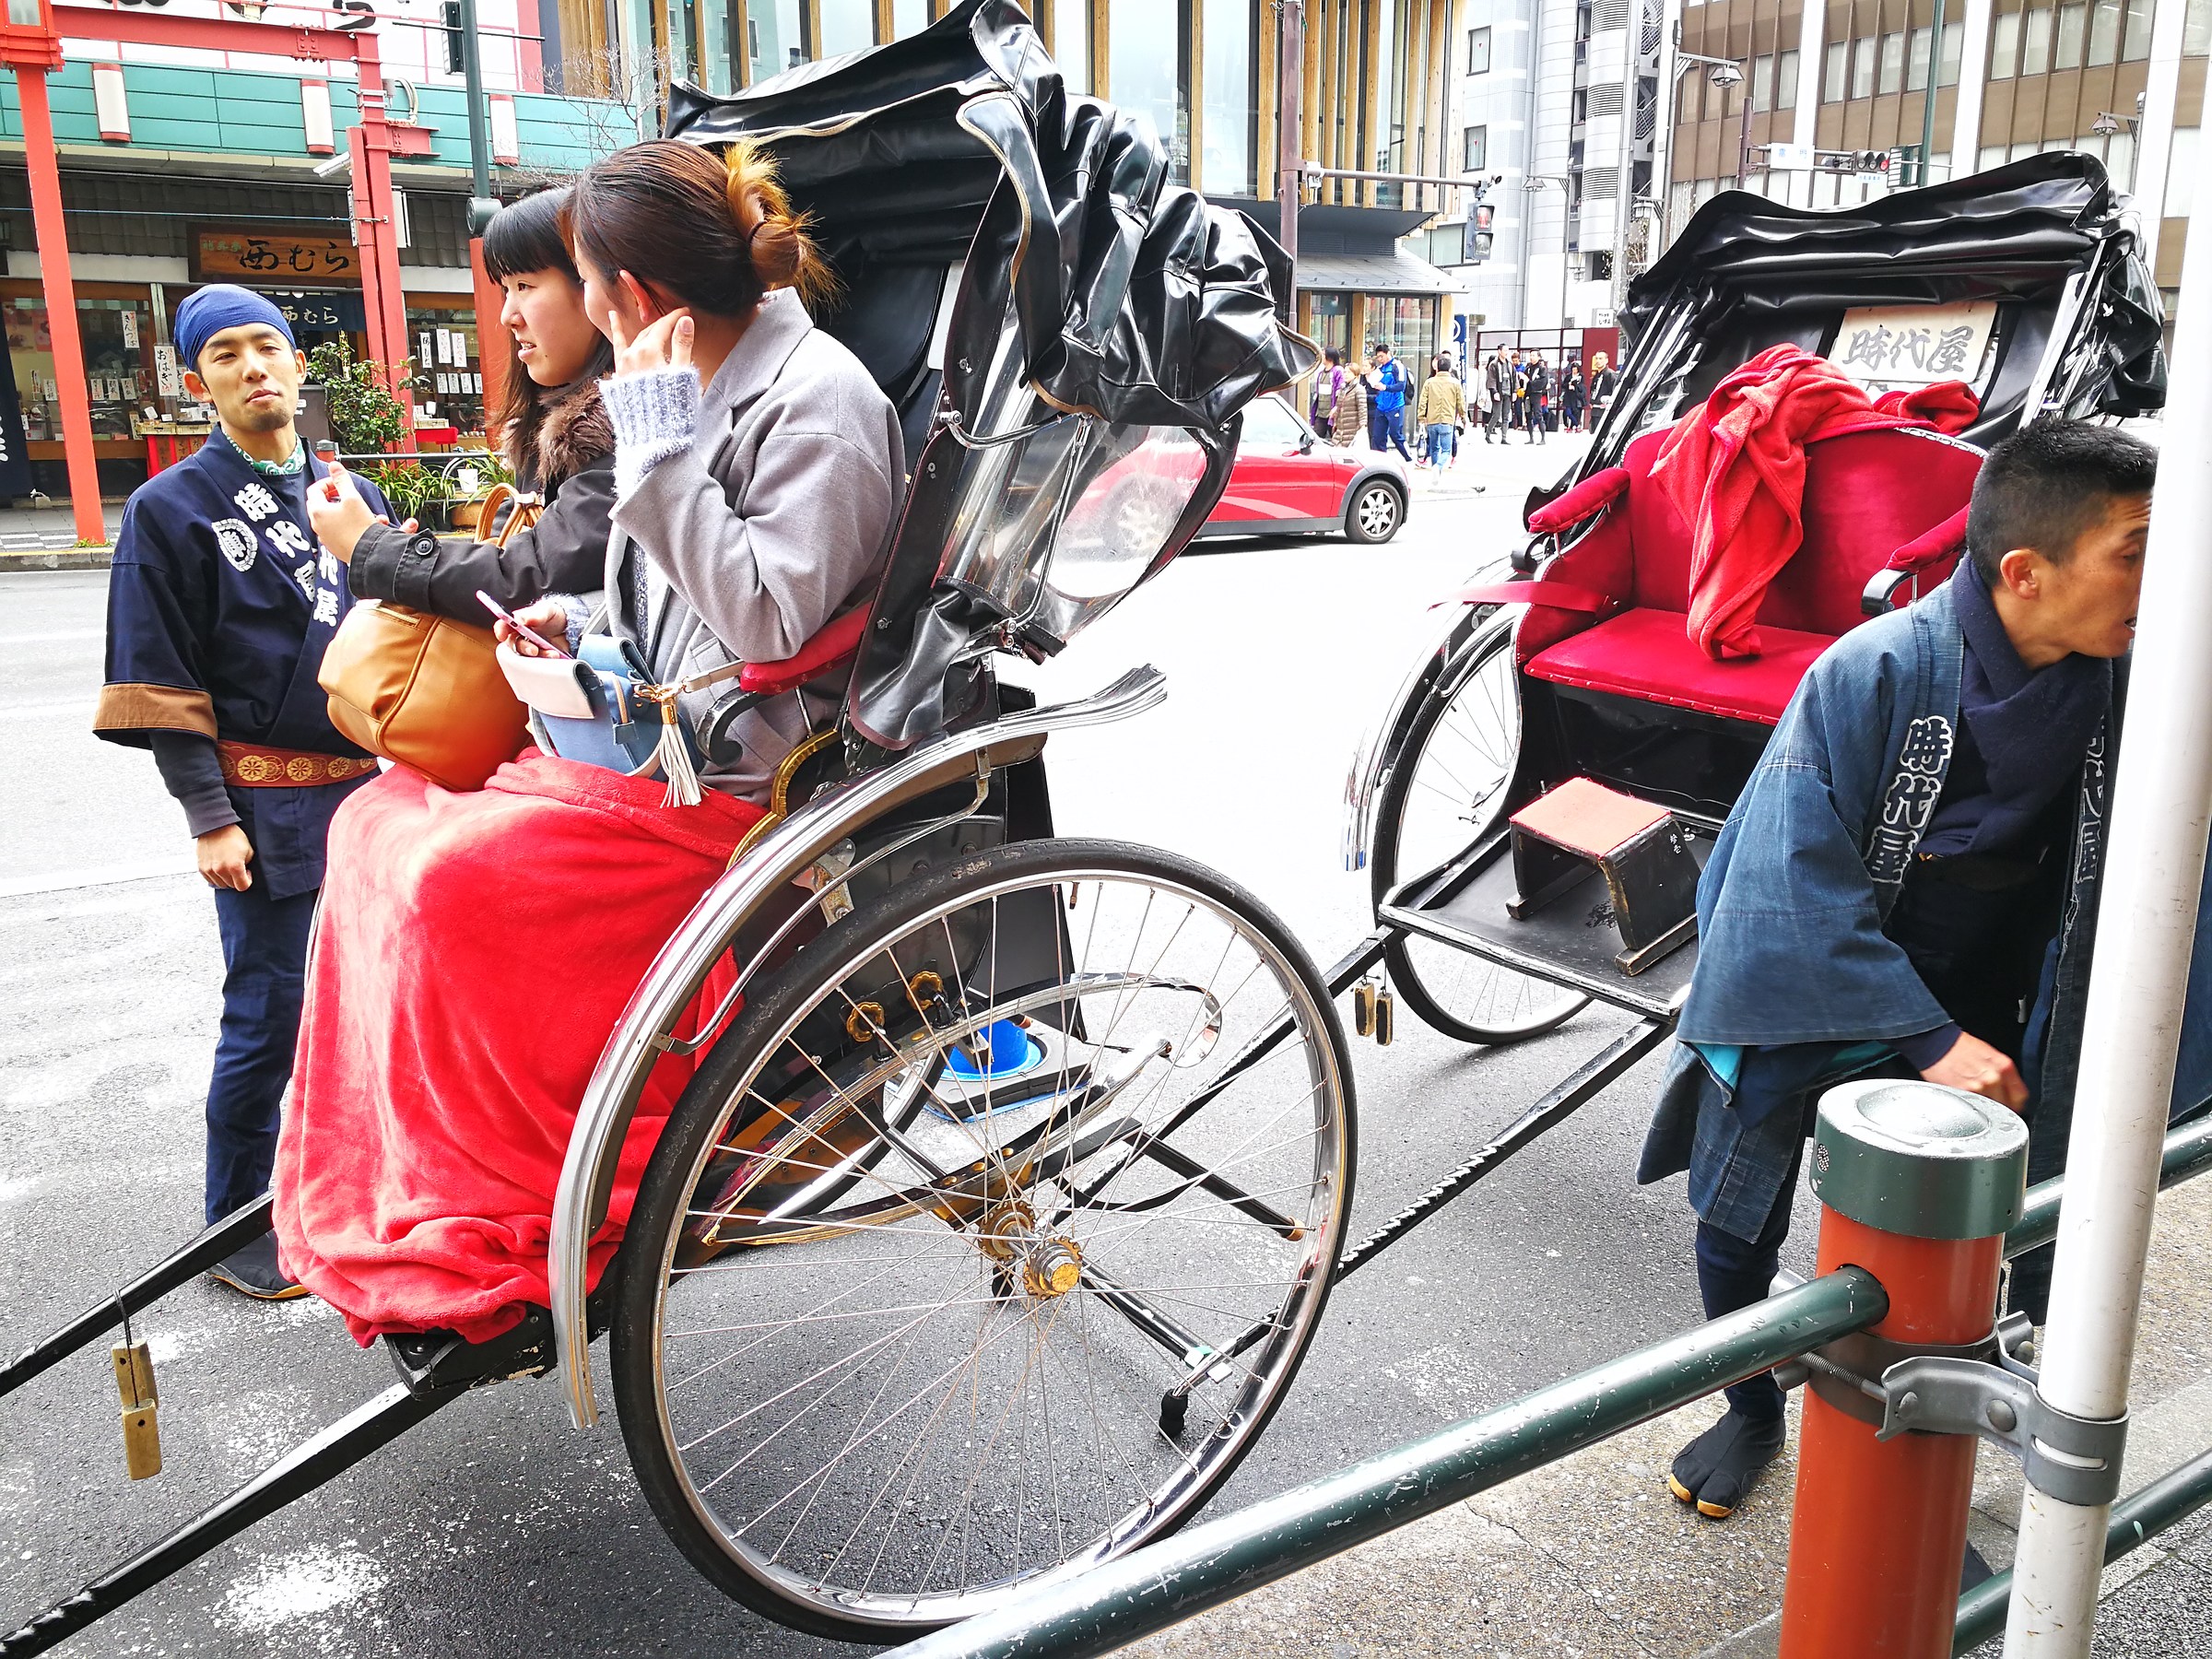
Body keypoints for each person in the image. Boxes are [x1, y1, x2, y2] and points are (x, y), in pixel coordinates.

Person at [275, 137, 905, 1347]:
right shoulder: (700, 377)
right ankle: (425, 1167)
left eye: (574, 280)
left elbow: (768, 613)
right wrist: (569, 623)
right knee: (373, 825)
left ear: (634, 298)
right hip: (636, 735)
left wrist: (659, 449)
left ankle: (522, 1179)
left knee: (447, 885)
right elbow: (649, 579)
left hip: (728, 785)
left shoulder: (817, 404)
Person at [1636, 421, 2204, 1522]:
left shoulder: (2129, 677)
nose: (2167, 576)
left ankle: (1935, 1394)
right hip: (1818, 967)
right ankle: (1751, 1404)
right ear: (2026, 574)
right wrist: (1926, 1036)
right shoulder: (1879, 668)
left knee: (1983, 1201)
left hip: (1994, 972)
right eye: (2138, 549)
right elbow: (1790, 872)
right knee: (1739, 1208)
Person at [93, 285, 392, 1299]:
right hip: (259, 805)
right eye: (227, 355)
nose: (255, 367)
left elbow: (394, 634)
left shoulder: (351, 496)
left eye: (268, 346)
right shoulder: (167, 510)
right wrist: (208, 817)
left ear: (298, 363)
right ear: (198, 384)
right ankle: (231, 1227)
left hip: (364, 792)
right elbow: (160, 675)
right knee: (266, 1016)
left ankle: (341, 1191)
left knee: (366, 1008)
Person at [310, 188, 615, 616]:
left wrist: (376, 549)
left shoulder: (624, 424)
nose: (507, 315)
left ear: (595, 287)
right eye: (506, 289)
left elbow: (532, 571)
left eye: (524, 285)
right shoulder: (554, 423)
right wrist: (402, 549)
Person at [1362, 341, 1413, 461]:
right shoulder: (1379, 369)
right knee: (1377, 436)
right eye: (1378, 357)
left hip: (1395, 405)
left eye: (1382, 356)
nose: (1380, 359)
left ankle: (1408, 458)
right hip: (1381, 406)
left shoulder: (1397, 366)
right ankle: (1379, 461)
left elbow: (1401, 386)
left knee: (1395, 434)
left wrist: (1385, 387)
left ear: (1388, 353)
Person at [1416, 353, 1465, 469]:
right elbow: (1461, 402)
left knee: (1434, 448)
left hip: (1432, 420)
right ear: (1449, 369)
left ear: (1437, 368)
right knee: (1446, 451)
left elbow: (1423, 401)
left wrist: (1421, 417)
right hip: (1447, 420)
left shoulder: (1429, 382)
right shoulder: (1456, 383)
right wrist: (1463, 417)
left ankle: (1435, 471)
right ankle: (1437, 468)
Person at [1330, 352, 1368, 447]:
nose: (1345, 374)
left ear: (1355, 374)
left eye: (1349, 372)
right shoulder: (1343, 389)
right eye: (1345, 372)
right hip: (1340, 430)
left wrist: (1363, 427)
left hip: (1352, 430)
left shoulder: (1358, 389)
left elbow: (1362, 409)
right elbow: (1339, 406)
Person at [1484, 346, 1514, 443]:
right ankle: (1488, 434)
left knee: (1506, 416)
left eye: (1507, 351)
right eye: (1505, 350)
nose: (1506, 352)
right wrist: (1494, 391)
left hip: (1508, 392)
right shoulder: (1494, 364)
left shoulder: (1510, 364)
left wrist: (1514, 391)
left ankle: (1504, 438)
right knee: (1496, 415)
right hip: (1498, 392)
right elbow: (1491, 379)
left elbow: (1514, 378)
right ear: (1499, 351)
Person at [1523, 351, 1550, 444]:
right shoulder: (1528, 369)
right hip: (1527, 395)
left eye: (1533, 355)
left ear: (1538, 357)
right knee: (1528, 415)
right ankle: (1531, 438)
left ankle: (1543, 438)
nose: (1531, 357)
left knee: (1538, 415)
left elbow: (1543, 382)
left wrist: (1529, 382)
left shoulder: (1542, 369)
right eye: (1530, 355)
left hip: (1537, 394)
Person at [1587, 350, 1618, 429]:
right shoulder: (1597, 375)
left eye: (1601, 358)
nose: (1598, 361)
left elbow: (1615, 391)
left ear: (1606, 360)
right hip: (1594, 410)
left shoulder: (1610, 374)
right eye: (1597, 358)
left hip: (1603, 410)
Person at [1561, 361, 1587, 433]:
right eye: (1573, 370)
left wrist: (1575, 387)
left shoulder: (1581, 376)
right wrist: (1568, 385)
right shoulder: (1568, 376)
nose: (1574, 371)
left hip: (1576, 397)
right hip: (1568, 397)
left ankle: (1573, 426)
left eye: (1576, 370)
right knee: (1568, 412)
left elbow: (1582, 386)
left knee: (1576, 412)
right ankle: (1577, 425)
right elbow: (1563, 385)